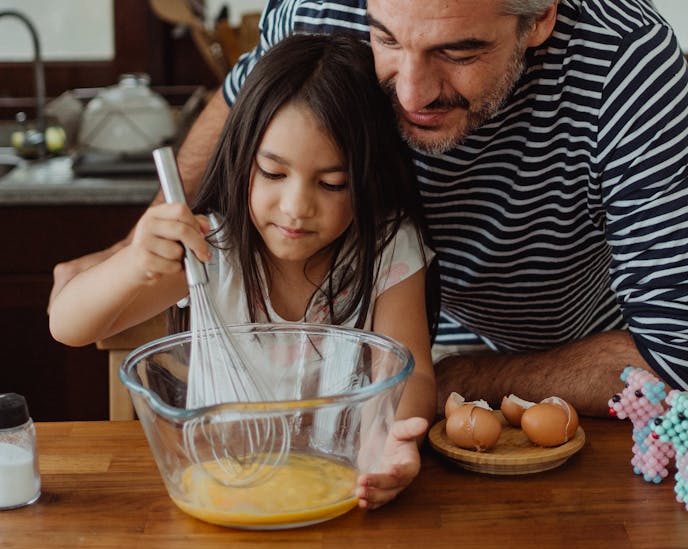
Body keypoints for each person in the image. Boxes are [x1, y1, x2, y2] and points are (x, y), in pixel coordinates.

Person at [52, 0, 688, 417]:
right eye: (387, 38)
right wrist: (136, 246)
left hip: (571, 352)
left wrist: (455, 376)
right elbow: (236, 118)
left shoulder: (621, 53)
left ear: (539, 21)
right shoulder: (320, 10)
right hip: (407, 335)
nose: (411, 94)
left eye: (459, 51)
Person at [50, 33, 438, 510]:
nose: (296, 208)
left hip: (338, 488)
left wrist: (391, 439)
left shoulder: (386, 248)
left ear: (368, 179)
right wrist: (135, 263)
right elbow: (69, 327)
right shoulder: (210, 249)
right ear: (242, 159)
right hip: (221, 489)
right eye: (273, 174)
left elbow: (409, 372)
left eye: (332, 183)